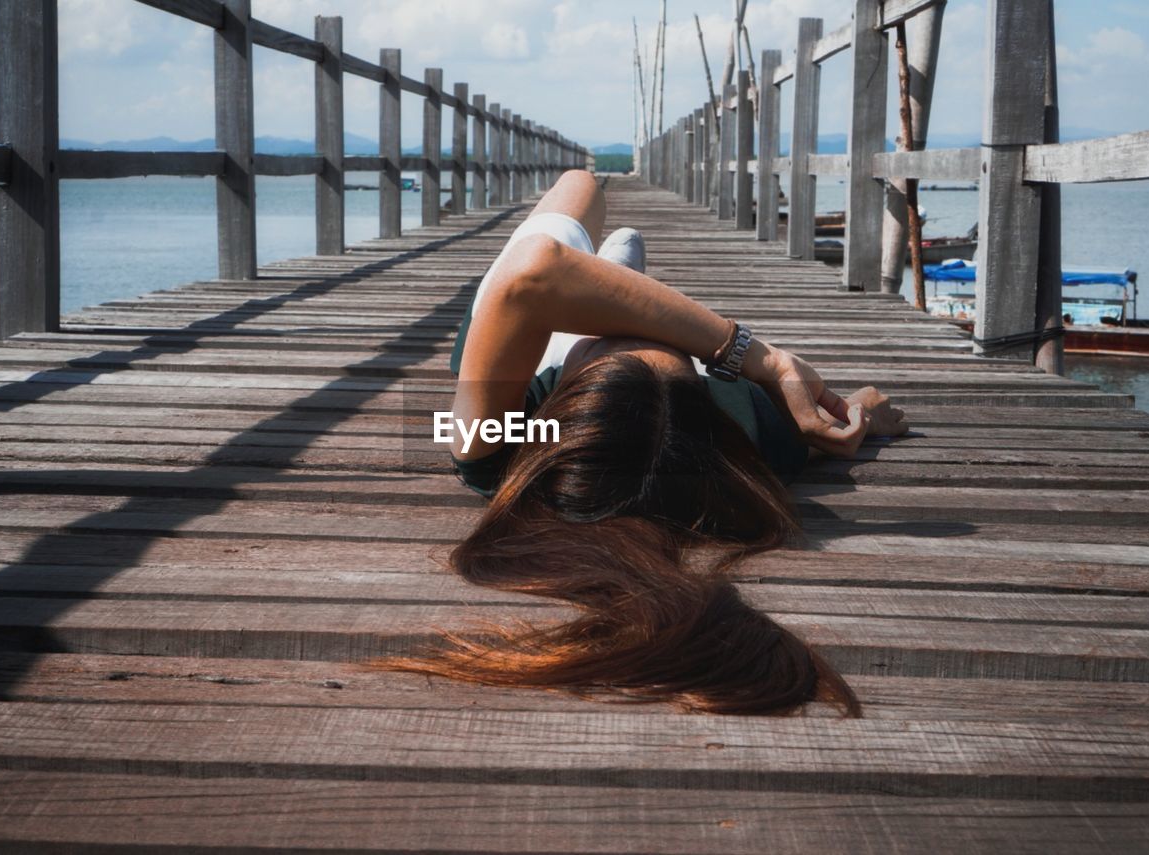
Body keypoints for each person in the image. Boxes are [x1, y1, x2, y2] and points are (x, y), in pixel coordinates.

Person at [374, 171, 908, 716]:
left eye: (596, 351)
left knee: (579, 184)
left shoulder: (502, 442)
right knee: (592, 219)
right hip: (601, 338)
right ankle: (617, 284)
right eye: (681, 357)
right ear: (703, 393)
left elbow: (529, 274)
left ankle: (609, 285)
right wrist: (865, 415)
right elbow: (849, 417)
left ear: (564, 401)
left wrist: (756, 354)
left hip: (525, 338)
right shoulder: (746, 436)